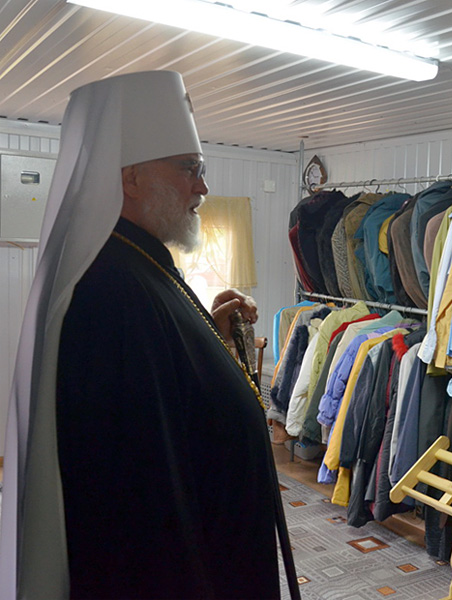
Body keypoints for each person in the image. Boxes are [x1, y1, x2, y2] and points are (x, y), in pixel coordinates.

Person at [0, 71, 286, 599]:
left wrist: (211, 341)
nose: (202, 186)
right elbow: (140, 496)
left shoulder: (137, 261)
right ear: (130, 178)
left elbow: (168, 377)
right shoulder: (109, 290)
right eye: (189, 168)